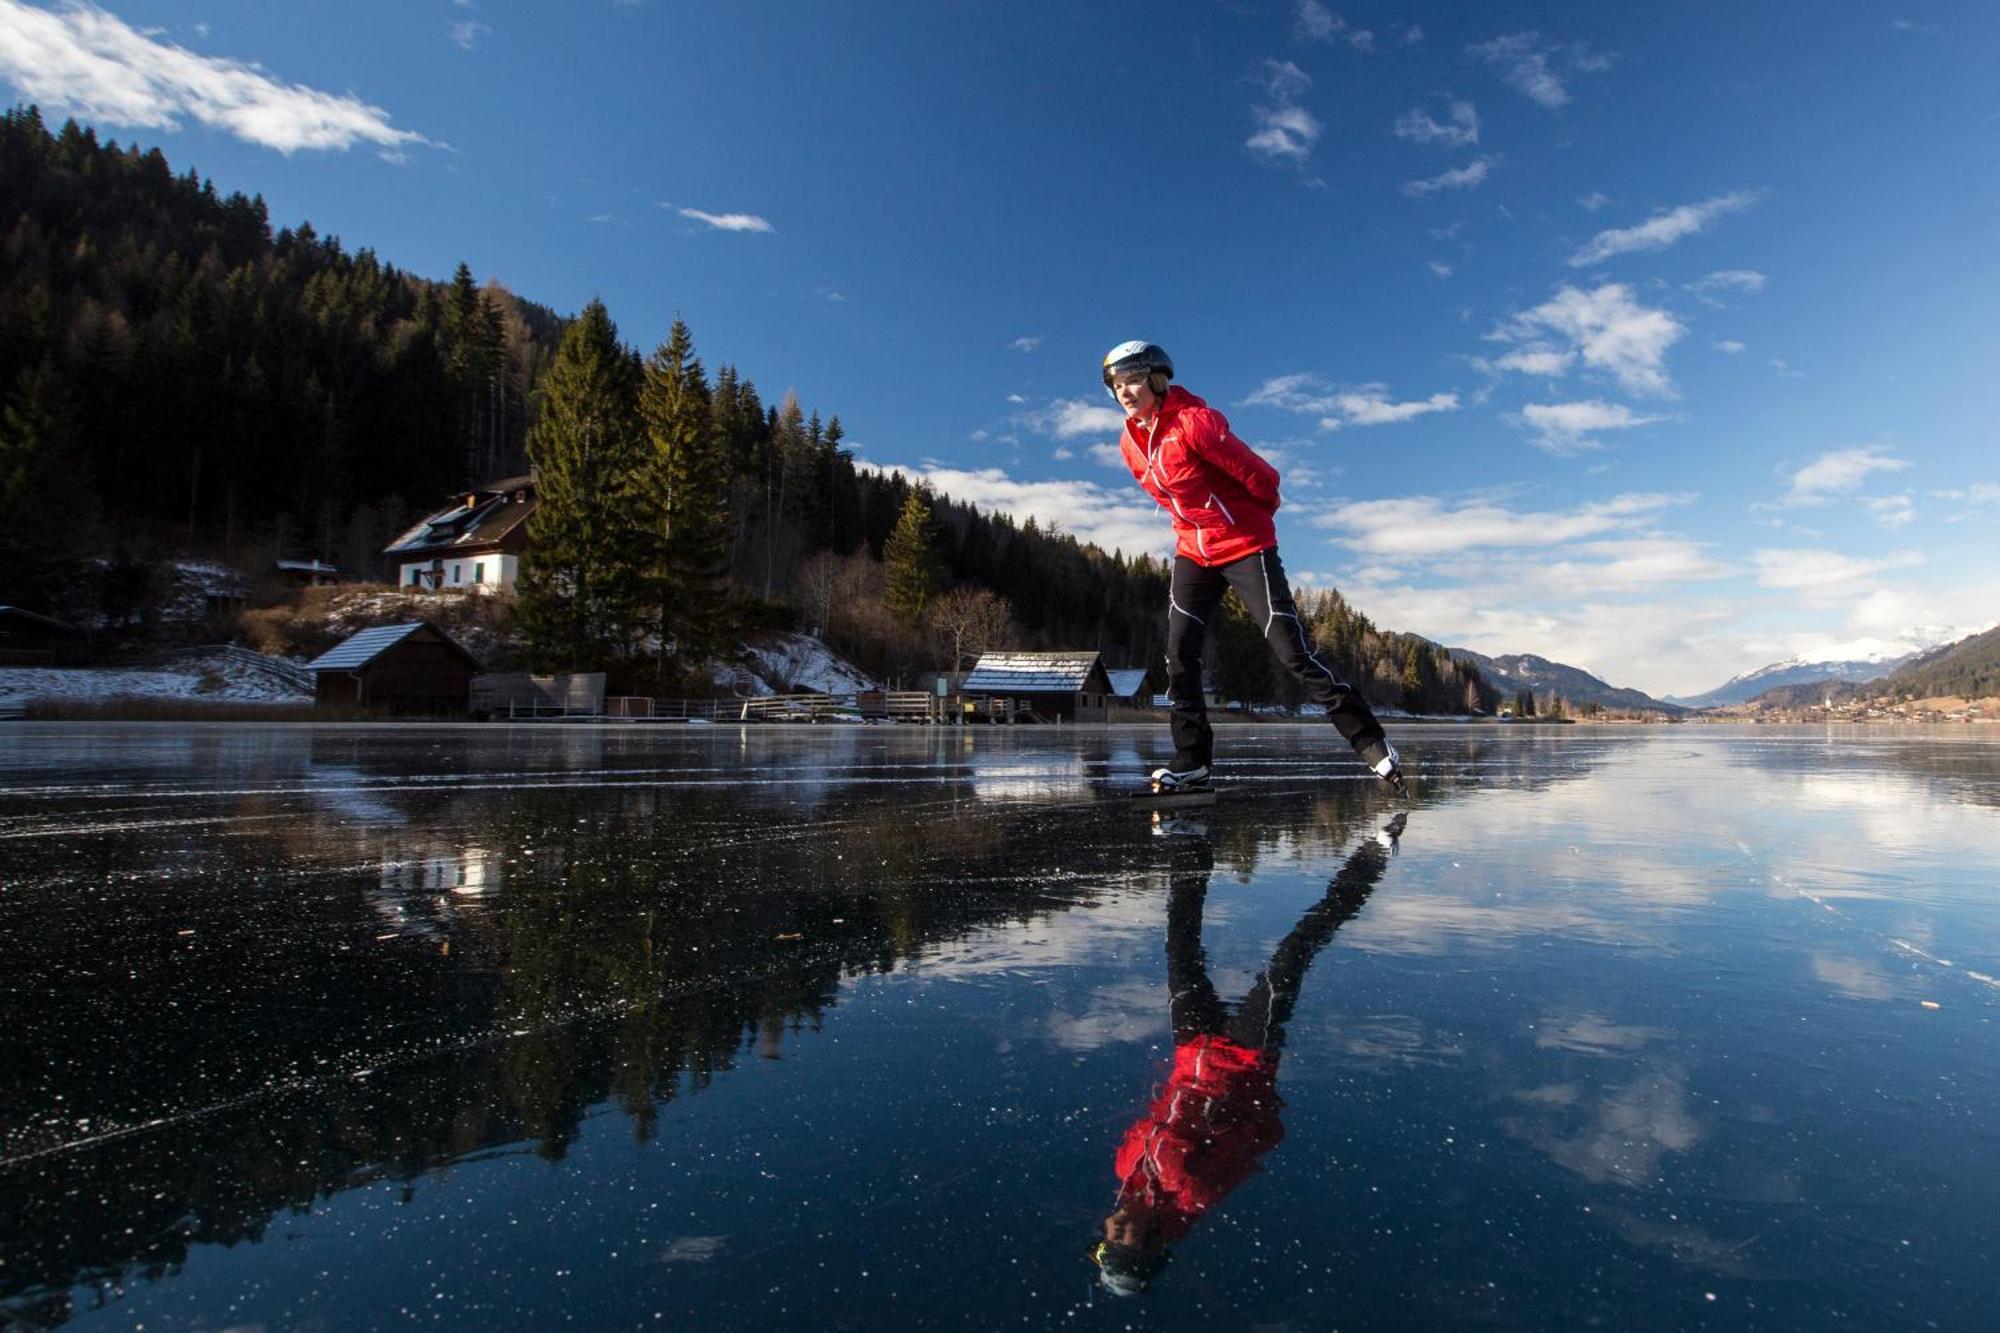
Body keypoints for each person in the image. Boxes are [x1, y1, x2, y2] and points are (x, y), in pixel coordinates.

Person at [1091, 813, 1407, 1296]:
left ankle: (1188, 842)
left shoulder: (1126, 1173)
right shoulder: (1193, 1191)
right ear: (1151, 1243)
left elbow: (1160, 1111)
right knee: (1292, 956)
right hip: (1244, 1058)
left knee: (1179, 944)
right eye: (1123, 1237)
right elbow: (1263, 1135)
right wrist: (1245, 1091)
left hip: (1192, 1050)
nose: (1113, 1226)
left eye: (1108, 1236)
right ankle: (1375, 856)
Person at [1102, 340, 1403, 794]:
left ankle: (1371, 742)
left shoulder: (1195, 423)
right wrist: (1196, 531)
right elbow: (1169, 498)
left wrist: (1251, 519)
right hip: (1193, 552)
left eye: (1134, 380)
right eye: (1117, 385)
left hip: (1244, 543)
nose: (1126, 392)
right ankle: (1192, 761)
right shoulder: (1130, 444)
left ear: (1158, 379)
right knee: (1178, 654)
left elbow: (1263, 478)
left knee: (1290, 649)